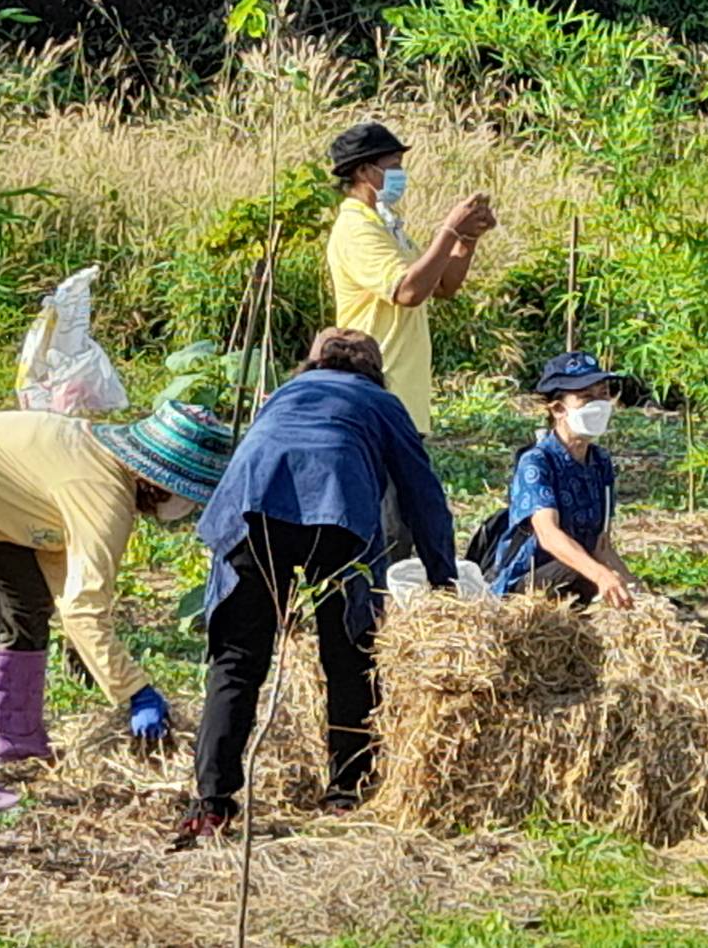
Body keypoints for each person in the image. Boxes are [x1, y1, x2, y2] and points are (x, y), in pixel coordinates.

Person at [182, 329, 459, 838]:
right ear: (374, 372)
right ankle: (345, 791)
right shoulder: (381, 402)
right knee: (349, 651)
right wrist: (445, 581)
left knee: (238, 660)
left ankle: (212, 802)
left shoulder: (284, 396)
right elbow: (424, 496)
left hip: (251, 515)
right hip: (336, 515)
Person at [0, 402, 232, 811]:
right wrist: (135, 689)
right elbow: (84, 610)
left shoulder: (98, 459)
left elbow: (62, 565)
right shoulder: (103, 491)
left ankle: (15, 739)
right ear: (162, 482)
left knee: (26, 605)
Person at [325, 122, 495, 557]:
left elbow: (442, 286)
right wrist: (448, 232)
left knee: (406, 522)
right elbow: (407, 291)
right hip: (377, 392)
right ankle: (374, 615)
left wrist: (467, 240)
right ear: (365, 171)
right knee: (387, 528)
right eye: (393, 166)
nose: (401, 175)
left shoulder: (386, 225)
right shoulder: (355, 228)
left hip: (404, 397)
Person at [486, 352, 636, 609]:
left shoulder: (600, 462)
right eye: (586, 398)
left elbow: (602, 545)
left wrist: (638, 591)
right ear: (558, 409)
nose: (598, 404)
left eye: (603, 394)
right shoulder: (537, 461)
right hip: (531, 581)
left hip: (583, 570)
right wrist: (600, 575)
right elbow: (549, 535)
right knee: (585, 575)